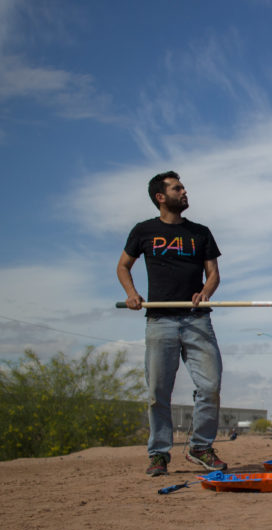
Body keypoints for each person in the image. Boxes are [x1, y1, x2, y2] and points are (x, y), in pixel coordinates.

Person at [116, 170, 227, 477]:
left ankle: (200, 446)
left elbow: (213, 274)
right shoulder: (143, 231)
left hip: (197, 321)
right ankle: (159, 454)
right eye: (178, 188)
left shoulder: (201, 232)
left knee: (210, 385)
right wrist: (131, 294)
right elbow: (123, 266)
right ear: (161, 197)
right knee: (157, 392)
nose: (185, 191)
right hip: (159, 320)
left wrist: (205, 292)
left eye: (184, 187)